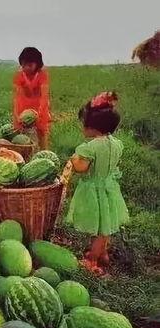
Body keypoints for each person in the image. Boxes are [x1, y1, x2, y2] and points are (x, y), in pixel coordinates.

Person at [66, 91, 129, 276]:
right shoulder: (116, 144)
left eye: (83, 123)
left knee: (99, 227)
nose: (82, 127)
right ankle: (103, 254)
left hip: (94, 190)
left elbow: (81, 168)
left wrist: (74, 159)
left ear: (92, 127)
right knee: (105, 224)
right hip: (109, 187)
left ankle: (92, 259)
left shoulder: (90, 147)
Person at [13, 47, 51, 149]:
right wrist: (16, 114)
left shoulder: (42, 74)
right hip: (24, 106)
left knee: (42, 133)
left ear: (37, 64)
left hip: (39, 106)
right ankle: (26, 152)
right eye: (24, 65)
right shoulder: (19, 75)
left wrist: (39, 113)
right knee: (21, 133)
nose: (26, 68)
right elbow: (17, 97)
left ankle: (44, 152)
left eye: (30, 65)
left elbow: (44, 96)